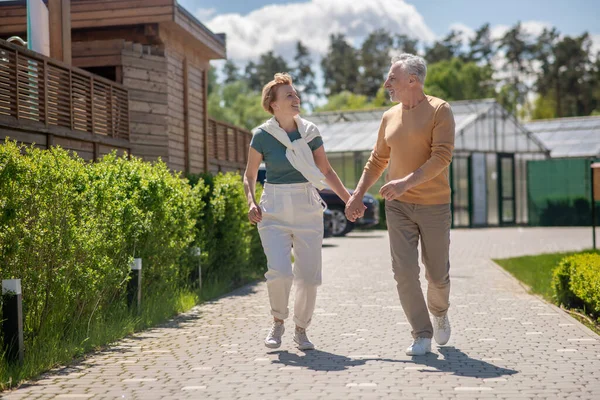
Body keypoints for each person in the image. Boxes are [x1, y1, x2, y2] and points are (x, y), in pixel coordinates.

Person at [345, 54, 455, 356]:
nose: (386, 83)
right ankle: (421, 333)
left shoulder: (440, 111)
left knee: (437, 275)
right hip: (397, 206)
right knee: (404, 271)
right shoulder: (389, 116)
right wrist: (356, 195)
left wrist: (405, 182)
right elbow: (378, 159)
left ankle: (440, 311)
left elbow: (441, 157)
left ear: (413, 80)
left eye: (392, 78)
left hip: (434, 205)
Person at [243, 73, 360, 350]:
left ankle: (301, 328)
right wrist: (251, 201)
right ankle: (278, 321)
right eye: (289, 96)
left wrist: (349, 199)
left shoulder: (310, 132)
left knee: (308, 277)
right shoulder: (262, 136)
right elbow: (249, 175)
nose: (296, 99)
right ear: (273, 104)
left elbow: (326, 171)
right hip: (273, 208)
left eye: (296, 94)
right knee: (280, 273)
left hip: (307, 205)